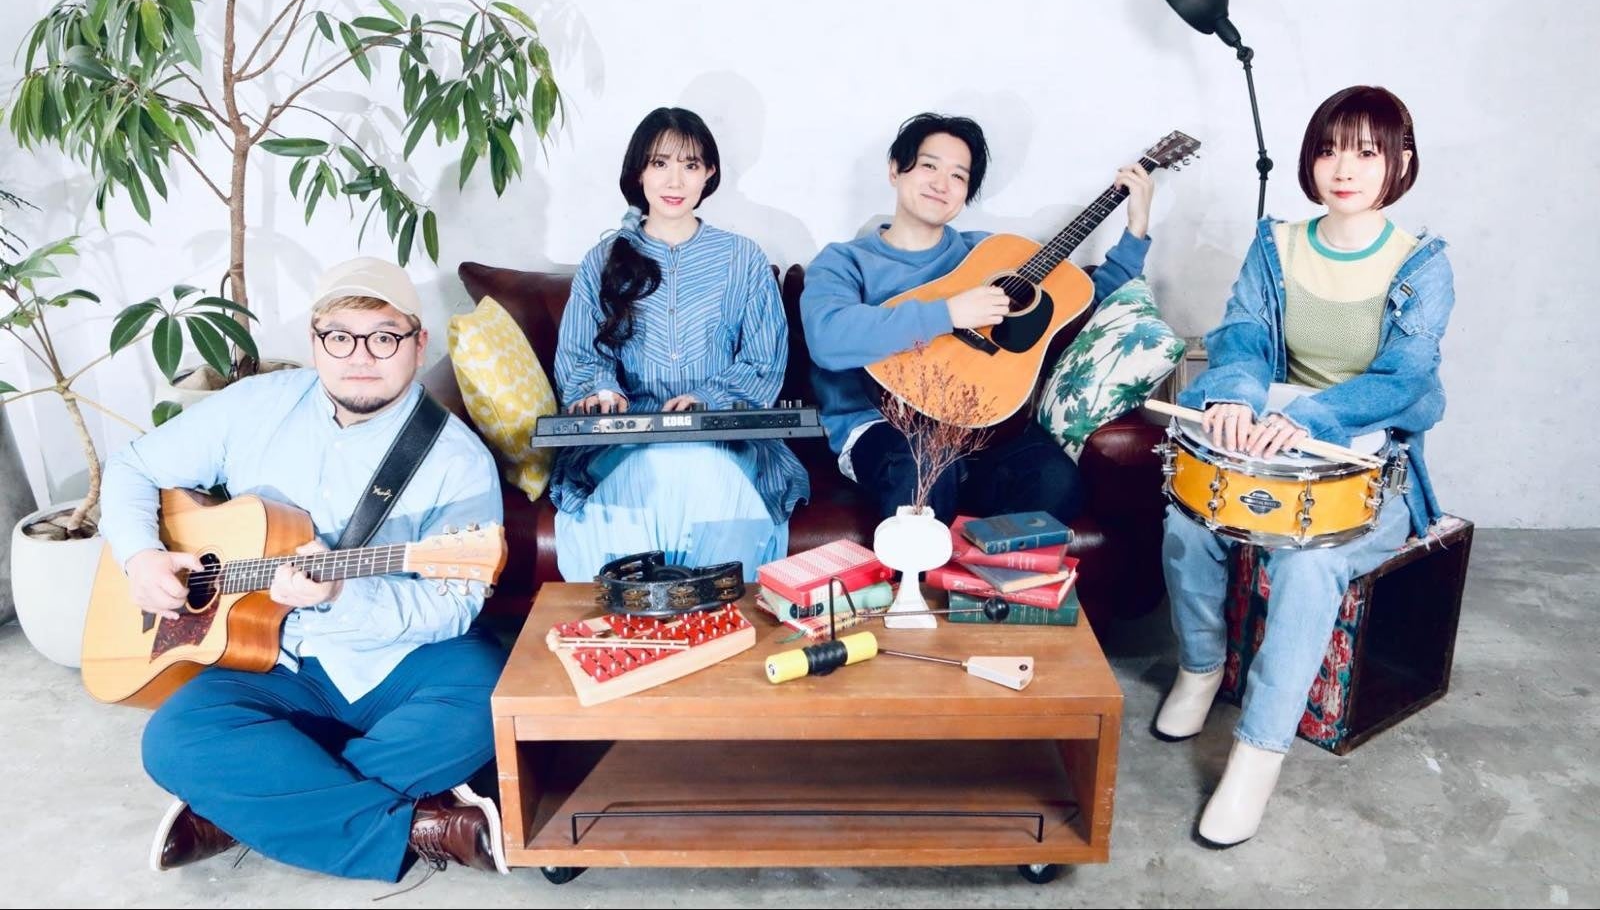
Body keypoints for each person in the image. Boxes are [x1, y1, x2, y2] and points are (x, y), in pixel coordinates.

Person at [100, 258, 509, 880]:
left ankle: (235, 810)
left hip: (401, 661)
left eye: (384, 337)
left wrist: (342, 594)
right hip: (273, 660)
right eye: (340, 336)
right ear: (315, 341)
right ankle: (419, 823)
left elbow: (452, 607)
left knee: (489, 701)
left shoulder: (457, 459)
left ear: (418, 342)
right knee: (173, 738)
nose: (360, 357)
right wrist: (139, 555)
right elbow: (132, 466)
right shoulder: (254, 406)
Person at [1154, 85, 1454, 847]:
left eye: (1366, 152)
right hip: (1269, 445)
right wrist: (1233, 395)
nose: (1343, 169)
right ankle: (1199, 668)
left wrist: (1311, 418)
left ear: (1401, 162)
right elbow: (1244, 334)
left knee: (1309, 565)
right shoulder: (1277, 245)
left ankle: (1257, 755)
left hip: (1369, 465)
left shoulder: (1421, 263)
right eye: (1328, 149)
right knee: (1189, 523)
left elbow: (1406, 378)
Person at [800, 111, 1155, 524]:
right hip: (884, 429)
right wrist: (949, 313)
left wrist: (1135, 232)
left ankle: (989, 568)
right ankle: (919, 569)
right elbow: (829, 338)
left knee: (1055, 479)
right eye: (929, 166)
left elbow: (1081, 307)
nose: (941, 184)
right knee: (926, 468)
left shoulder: (991, 254)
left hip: (987, 430)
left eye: (958, 176)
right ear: (895, 170)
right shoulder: (844, 261)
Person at [550, 106, 808, 580]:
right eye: (659, 163)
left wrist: (708, 399)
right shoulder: (602, 261)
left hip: (724, 438)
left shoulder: (743, 259)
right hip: (627, 440)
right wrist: (601, 391)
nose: (675, 181)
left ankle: (711, 613)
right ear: (639, 172)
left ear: (709, 173)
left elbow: (764, 361)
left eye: (690, 165)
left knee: (700, 466)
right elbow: (582, 354)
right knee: (651, 471)